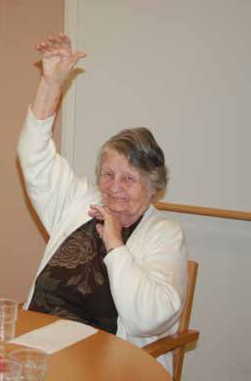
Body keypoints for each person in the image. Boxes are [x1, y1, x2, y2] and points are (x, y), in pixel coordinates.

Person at [18, 33, 188, 373]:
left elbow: (147, 319)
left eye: (129, 178)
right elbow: (33, 157)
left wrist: (114, 242)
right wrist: (50, 85)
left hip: (105, 363)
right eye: (108, 174)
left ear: (153, 187)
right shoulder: (80, 201)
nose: (114, 188)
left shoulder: (164, 235)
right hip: (41, 345)